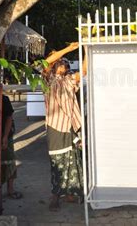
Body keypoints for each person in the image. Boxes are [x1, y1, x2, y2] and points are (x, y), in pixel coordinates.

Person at [42, 42, 86, 211]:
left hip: (70, 125)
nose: (63, 64)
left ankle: (69, 193)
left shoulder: (68, 80)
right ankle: (55, 195)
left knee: (72, 159)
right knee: (56, 162)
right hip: (55, 126)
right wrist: (67, 49)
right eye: (60, 62)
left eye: (65, 63)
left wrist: (86, 48)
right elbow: (45, 64)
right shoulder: (48, 80)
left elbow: (83, 71)